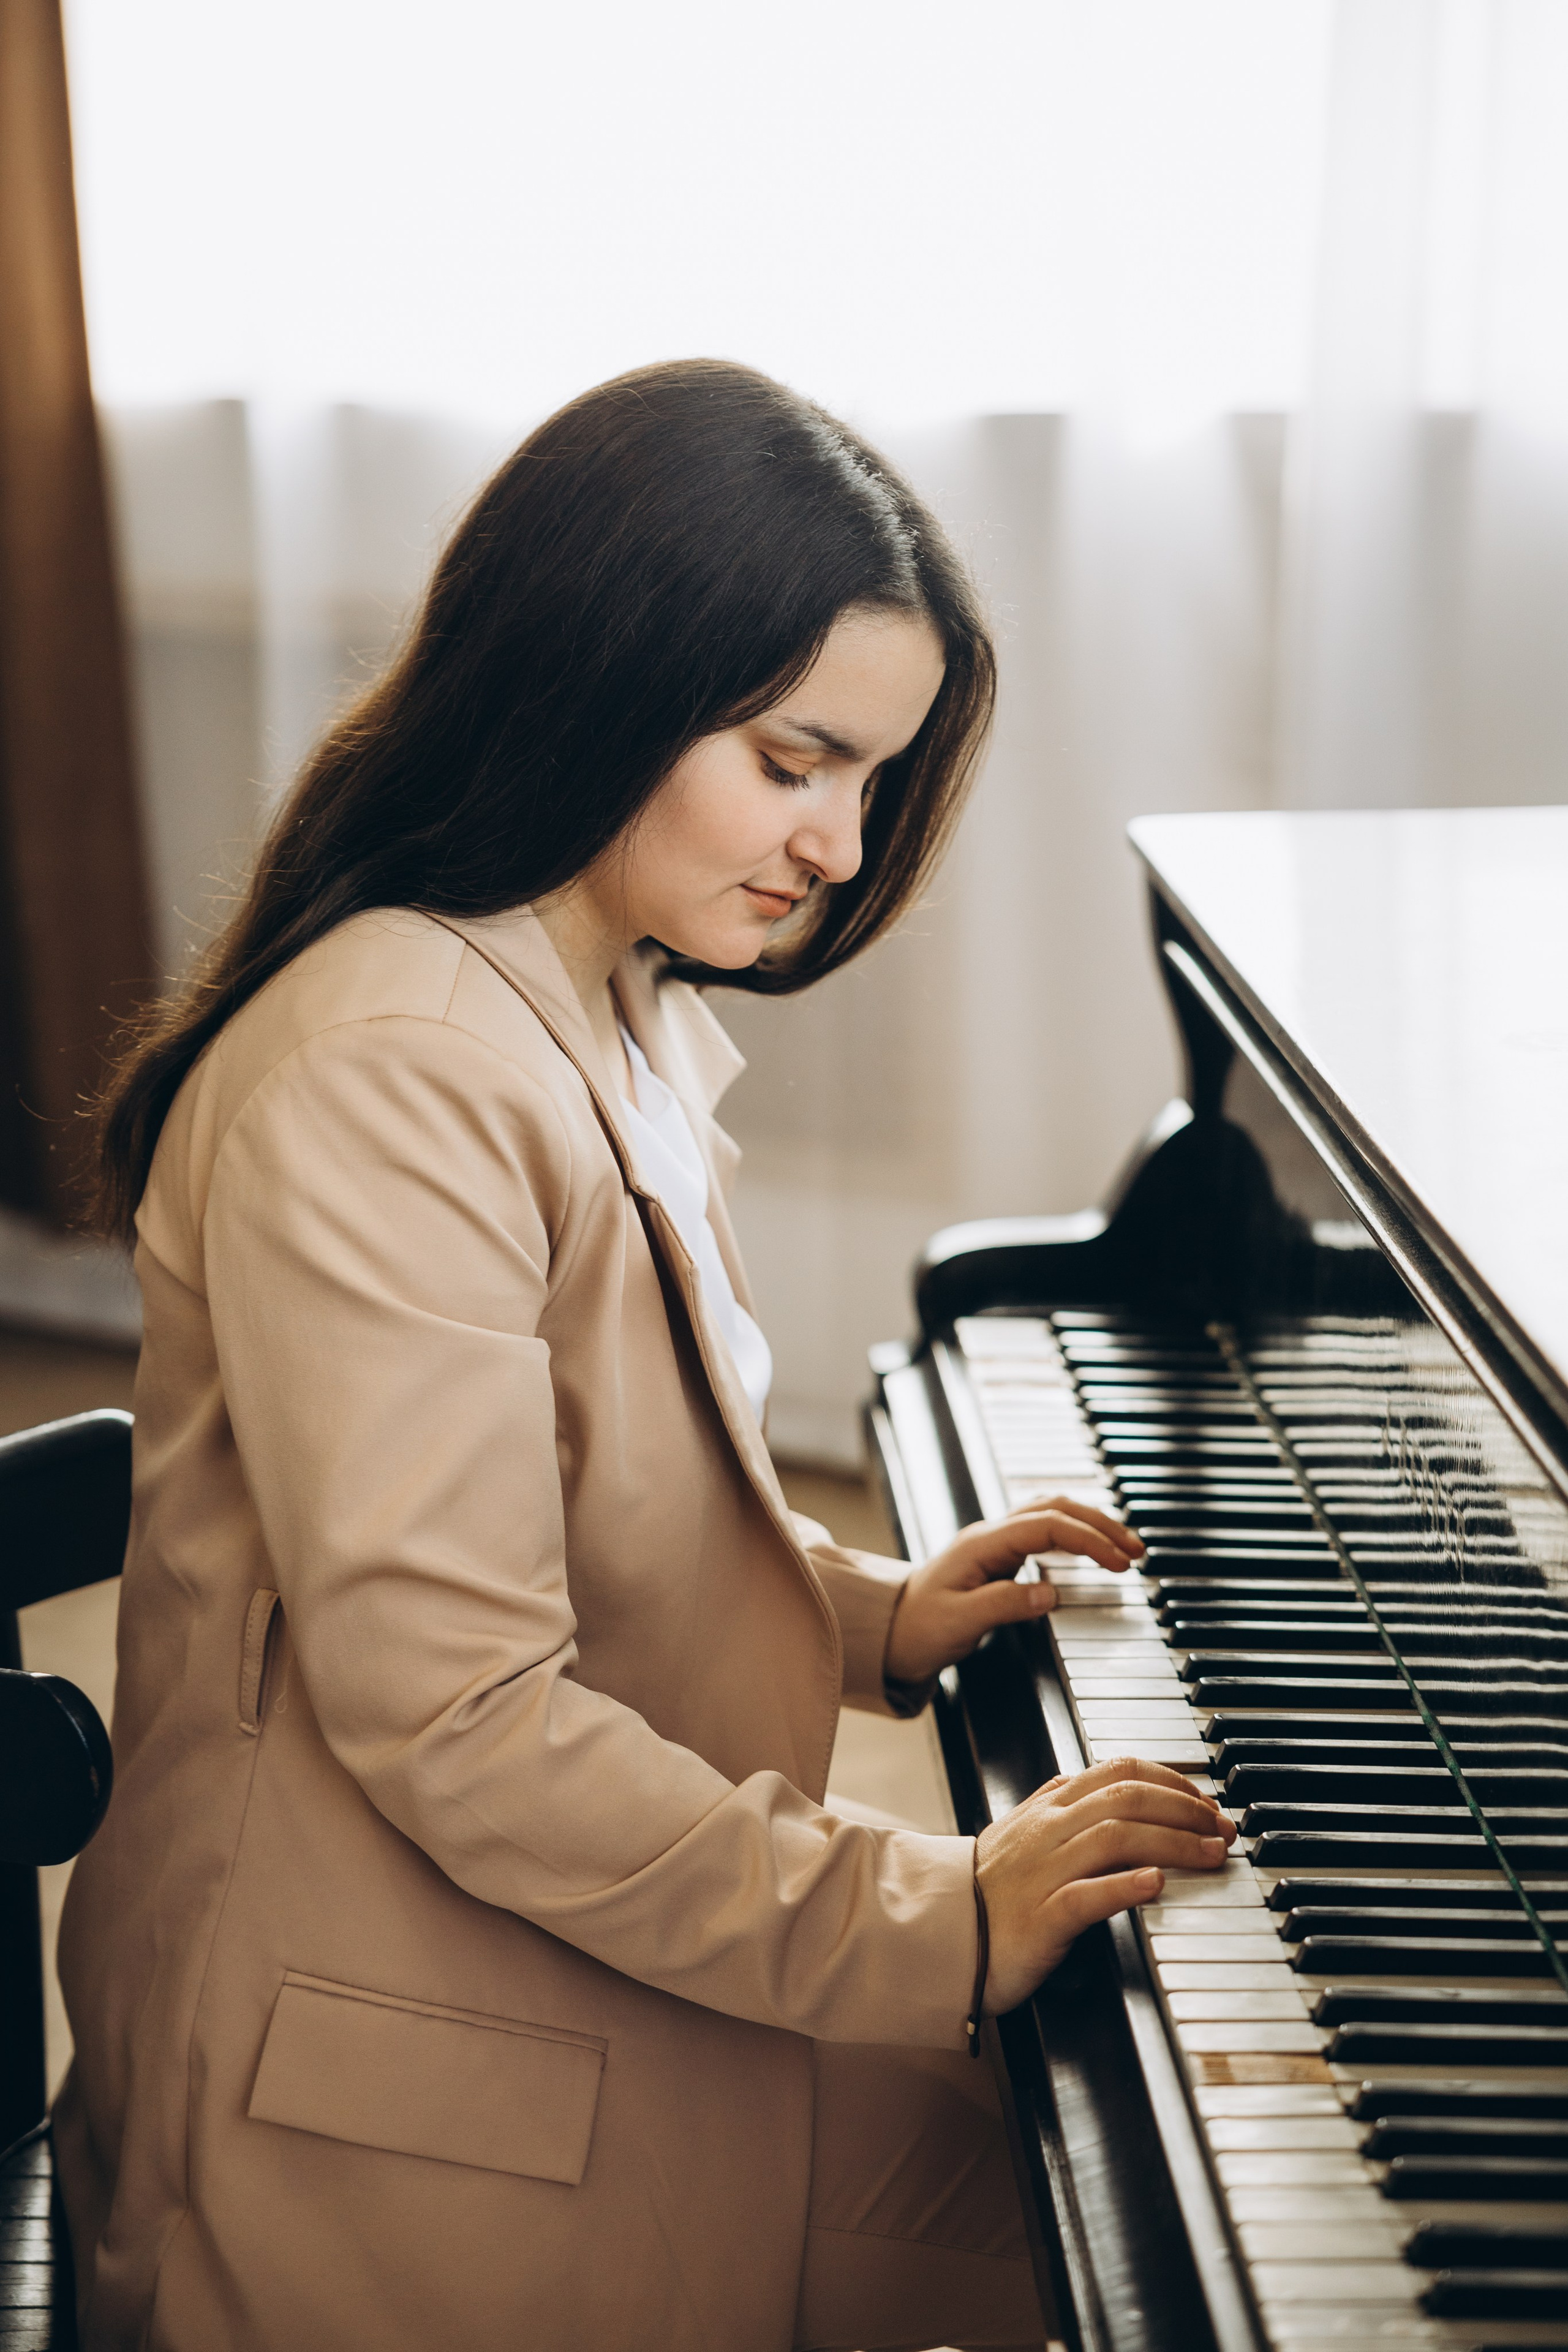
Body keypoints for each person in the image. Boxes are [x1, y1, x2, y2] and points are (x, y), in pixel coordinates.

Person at [59, 360, 1236, 2352]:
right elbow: (465, 1725)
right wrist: (930, 1903)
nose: (842, 845)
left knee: (1119, 2139)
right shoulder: (400, 1069)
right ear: (603, 672)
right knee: (1131, 2236)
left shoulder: (580, 987)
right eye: (796, 761)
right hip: (370, 2086)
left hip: (495, 1965)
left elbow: (582, 1482)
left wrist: (861, 1609)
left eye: (871, 777)